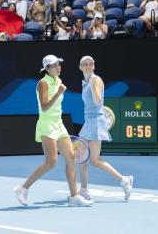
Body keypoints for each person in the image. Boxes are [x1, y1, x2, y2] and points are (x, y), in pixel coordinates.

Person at [14, 55, 93, 207]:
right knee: (51, 162)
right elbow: (44, 107)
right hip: (47, 124)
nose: (58, 67)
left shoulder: (58, 81)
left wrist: (59, 91)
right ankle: (23, 188)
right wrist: (58, 93)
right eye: (55, 65)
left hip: (58, 123)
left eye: (59, 64)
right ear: (47, 69)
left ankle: (74, 197)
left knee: (70, 157)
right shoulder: (43, 83)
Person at [77, 56, 134, 202]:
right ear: (80, 67)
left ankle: (124, 180)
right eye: (85, 64)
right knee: (81, 157)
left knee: (94, 160)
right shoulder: (84, 82)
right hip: (88, 121)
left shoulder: (97, 80)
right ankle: (83, 190)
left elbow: (97, 101)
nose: (88, 66)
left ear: (94, 66)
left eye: (91, 64)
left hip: (96, 122)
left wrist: (94, 85)